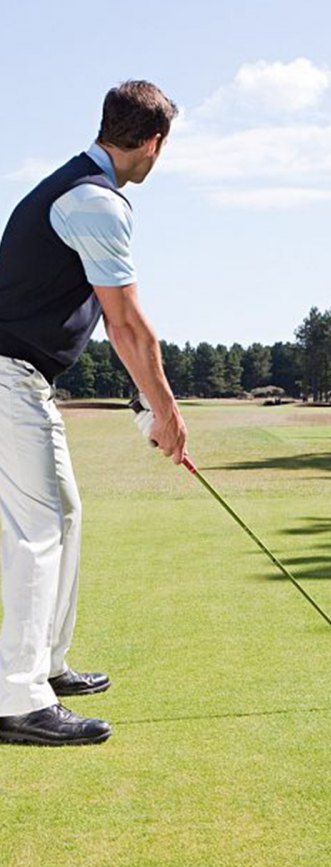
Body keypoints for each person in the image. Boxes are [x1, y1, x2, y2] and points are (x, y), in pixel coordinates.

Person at [0, 80, 187, 746]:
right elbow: (128, 323)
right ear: (154, 142)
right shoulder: (95, 201)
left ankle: (46, 665)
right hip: (7, 376)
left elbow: (110, 323)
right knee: (37, 530)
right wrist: (167, 412)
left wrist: (146, 398)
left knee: (65, 515)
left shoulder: (78, 188)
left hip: (23, 377)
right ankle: (18, 699)